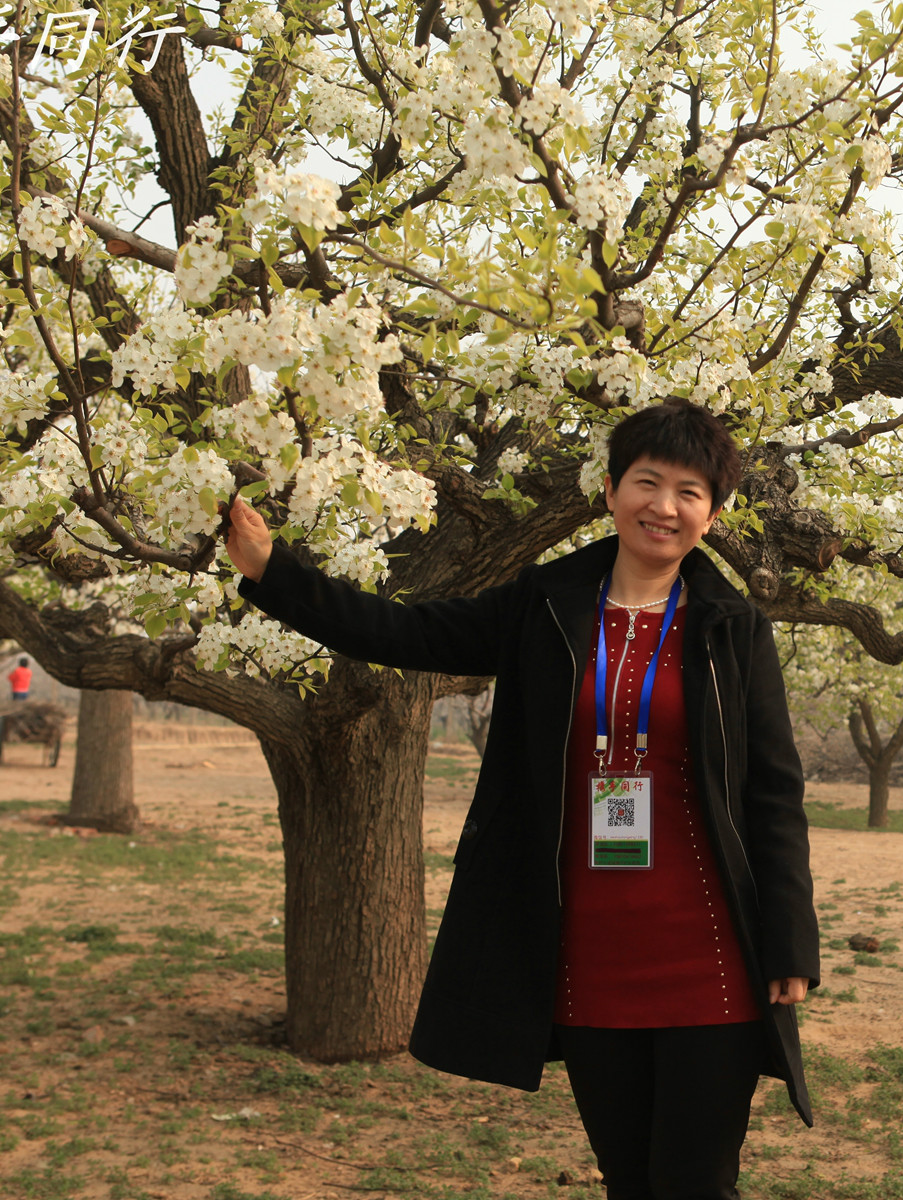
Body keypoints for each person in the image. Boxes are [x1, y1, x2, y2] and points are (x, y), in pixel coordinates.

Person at [224, 400, 818, 1200]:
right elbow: (405, 634)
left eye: (690, 492)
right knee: (627, 1178)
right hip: (587, 950)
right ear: (610, 490)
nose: (665, 507)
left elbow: (773, 794)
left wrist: (789, 941)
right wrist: (273, 574)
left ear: (711, 515)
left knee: (696, 1180)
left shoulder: (731, 629)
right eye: (648, 482)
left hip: (710, 953)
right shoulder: (542, 607)